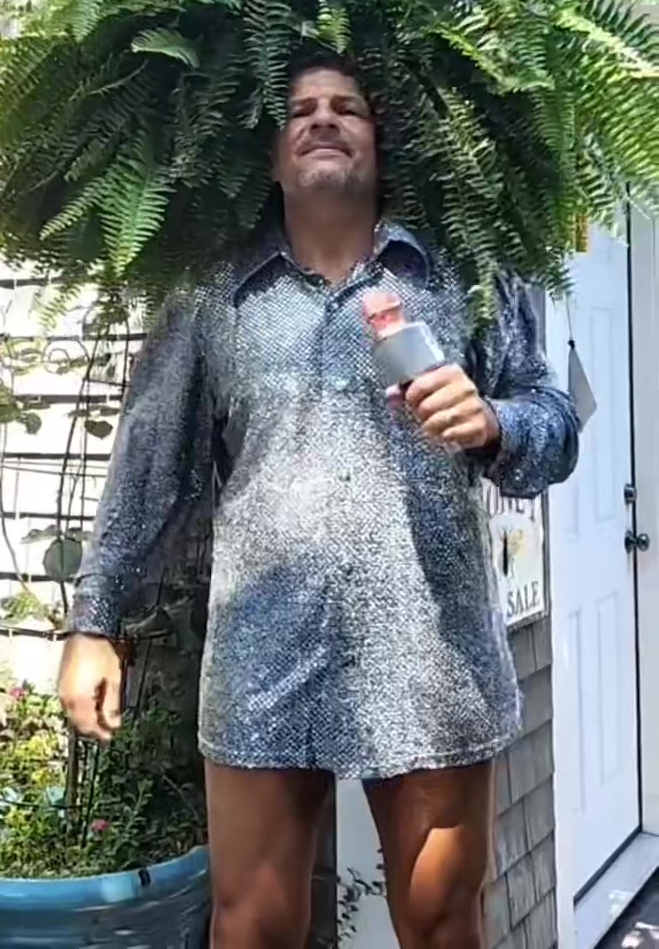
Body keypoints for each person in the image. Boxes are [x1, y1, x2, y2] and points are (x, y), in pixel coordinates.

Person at [58, 54, 579, 949]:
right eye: (300, 110)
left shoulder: (463, 277)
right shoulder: (212, 296)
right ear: (270, 155)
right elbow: (149, 464)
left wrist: (495, 422)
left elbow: (556, 427)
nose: (324, 119)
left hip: (429, 655)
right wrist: (93, 622)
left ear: (381, 140)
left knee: (443, 922)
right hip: (263, 654)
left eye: (348, 107)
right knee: (251, 926)